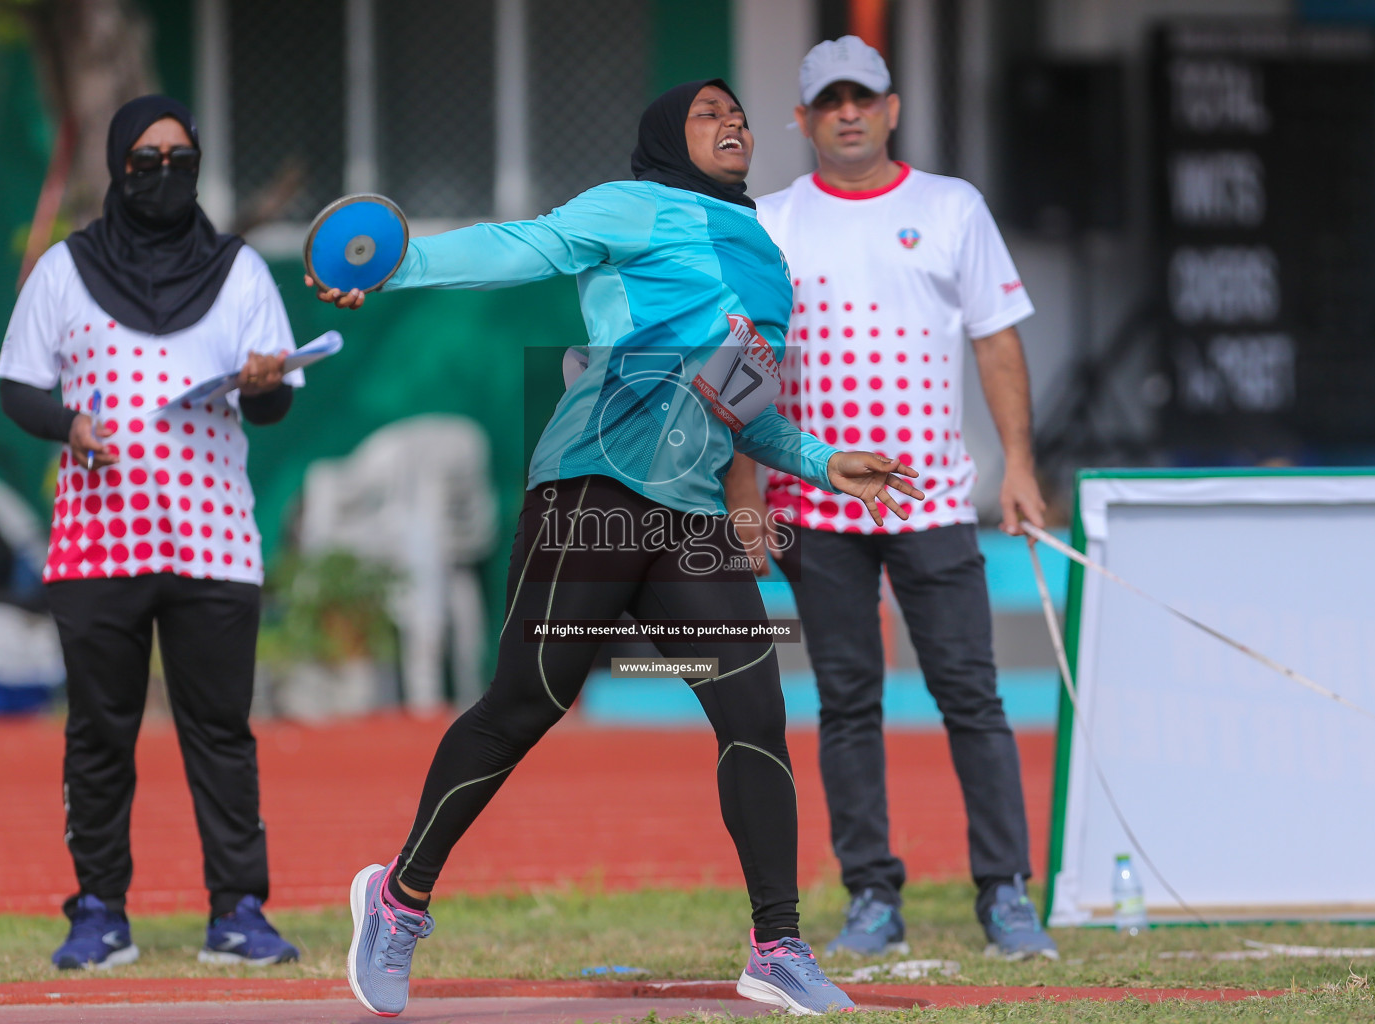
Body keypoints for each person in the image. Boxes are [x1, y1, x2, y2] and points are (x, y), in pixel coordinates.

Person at [310, 79, 924, 1017]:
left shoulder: (765, 259)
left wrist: (824, 460)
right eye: (708, 113)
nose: (733, 124)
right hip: (594, 480)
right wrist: (391, 266)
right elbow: (521, 248)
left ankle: (778, 946)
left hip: (688, 511)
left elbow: (739, 404)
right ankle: (397, 899)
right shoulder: (632, 204)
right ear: (665, 137)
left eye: (740, 115)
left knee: (754, 711)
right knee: (526, 703)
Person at [728, 36, 1057, 960]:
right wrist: (745, 492)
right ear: (800, 119)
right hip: (818, 510)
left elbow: (996, 341)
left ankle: (1005, 892)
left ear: (892, 108)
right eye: (828, 100)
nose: (847, 112)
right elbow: (745, 364)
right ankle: (871, 892)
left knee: (971, 697)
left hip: (932, 504)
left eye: (862, 97)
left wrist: (1020, 466)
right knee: (847, 701)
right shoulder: (772, 221)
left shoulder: (952, 208)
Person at [0, 95, 303, 970]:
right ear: (117, 165)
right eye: (146, 159)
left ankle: (238, 912)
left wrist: (260, 380)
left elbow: (275, 403)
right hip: (98, 546)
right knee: (99, 733)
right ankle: (99, 912)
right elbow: (19, 386)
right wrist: (69, 427)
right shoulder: (65, 270)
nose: (165, 174)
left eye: (181, 158)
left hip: (214, 545)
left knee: (220, 731)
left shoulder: (240, 272)